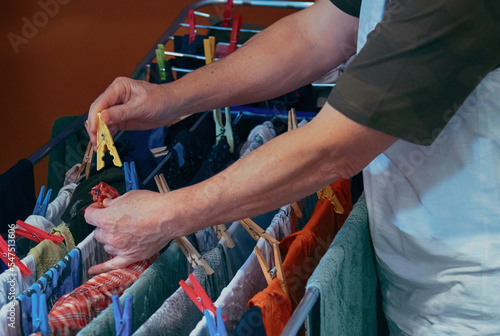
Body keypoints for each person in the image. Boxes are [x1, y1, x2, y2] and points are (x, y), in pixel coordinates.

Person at [85, 0, 500, 334]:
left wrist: (167, 215)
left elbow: (335, 148)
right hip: (415, 275)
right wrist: (170, 99)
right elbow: (318, 35)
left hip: (475, 298)